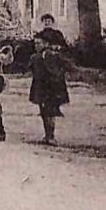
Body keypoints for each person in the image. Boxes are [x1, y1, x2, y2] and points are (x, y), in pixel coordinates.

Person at [29, 12, 71, 144]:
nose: (36, 45)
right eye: (35, 44)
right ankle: (47, 135)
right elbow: (32, 69)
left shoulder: (54, 51)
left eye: (39, 43)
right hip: (40, 86)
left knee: (51, 110)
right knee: (43, 111)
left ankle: (51, 135)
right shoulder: (36, 56)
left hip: (52, 86)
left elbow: (63, 65)